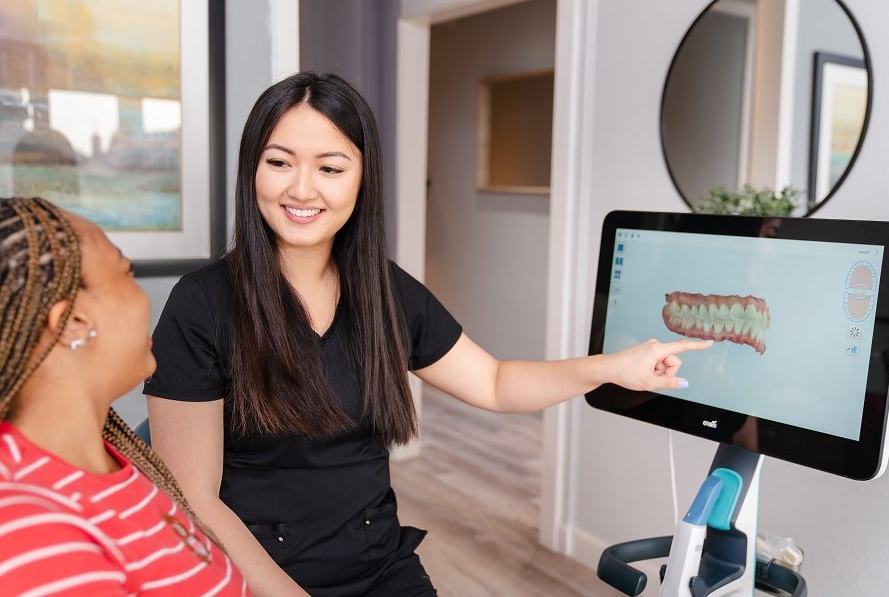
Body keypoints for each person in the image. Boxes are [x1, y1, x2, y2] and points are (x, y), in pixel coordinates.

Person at [144, 72, 711, 597]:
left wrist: (610, 367)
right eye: (279, 162)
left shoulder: (385, 291)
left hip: (378, 567)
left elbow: (494, 382)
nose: (302, 189)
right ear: (252, 169)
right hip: (258, 577)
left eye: (331, 168)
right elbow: (194, 497)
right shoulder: (202, 305)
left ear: (362, 179)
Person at [0, 197, 248, 595]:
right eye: (125, 272)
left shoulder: (118, 457)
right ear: (74, 323)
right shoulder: (29, 528)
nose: (144, 297)